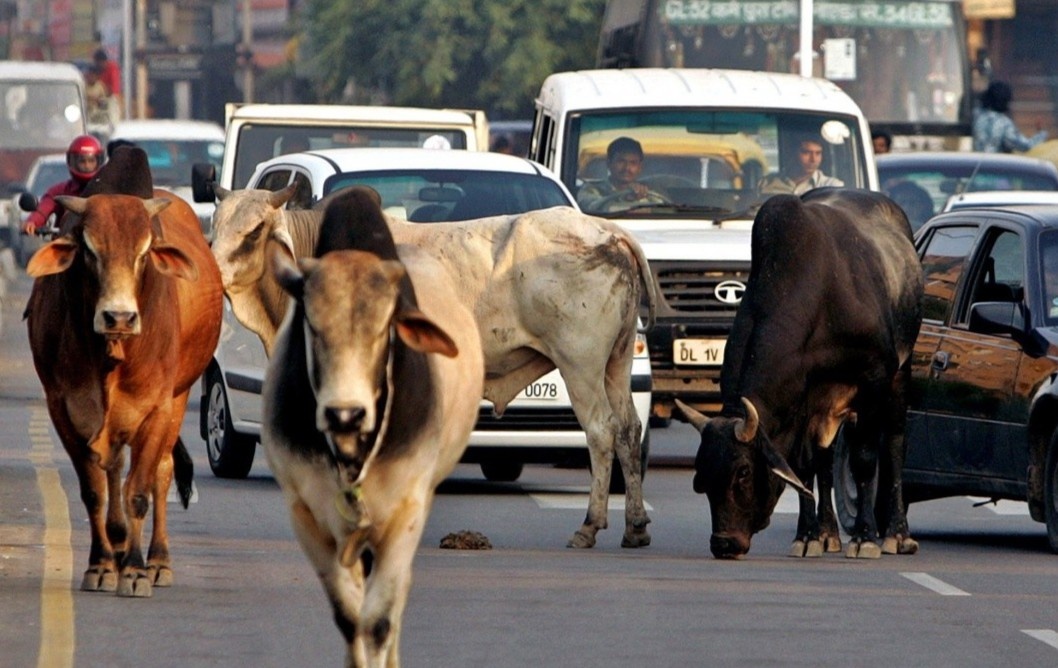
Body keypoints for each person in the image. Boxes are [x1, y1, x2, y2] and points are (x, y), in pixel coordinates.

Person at [22, 134, 104, 236]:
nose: (87, 166)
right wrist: (32, 222)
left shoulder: (108, 191)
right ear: (72, 161)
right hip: (66, 244)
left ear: (99, 162)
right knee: (43, 252)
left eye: (91, 161)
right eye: (82, 161)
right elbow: (43, 209)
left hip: (101, 246)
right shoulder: (59, 191)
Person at [576, 136, 666, 212]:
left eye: (633, 163)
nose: (627, 168)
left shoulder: (652, 192)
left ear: (639, 167)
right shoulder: (591, 189)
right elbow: (591, 208)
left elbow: (666, 210)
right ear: (609, 163)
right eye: (621, 161)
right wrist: (625, 198)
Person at [973, 80, 1047, 153]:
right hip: (995, 164)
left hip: (973, 163)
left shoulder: (976, 117)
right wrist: (1041, 134)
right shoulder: (1003, 123)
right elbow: (1025, 146)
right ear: (1004, 101)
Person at [760, 135, 844, 195]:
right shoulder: (765, 183)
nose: (813, 160)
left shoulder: (832, 187)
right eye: (806, 152)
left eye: (818, 153)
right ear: (793, 153)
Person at [93, 48, 122, 114]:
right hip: (99, 99)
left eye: (98, 63)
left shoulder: (112, 68)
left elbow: (114, 88)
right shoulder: (97, 70)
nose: (97, 65)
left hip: (111, 98)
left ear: (103, 61)